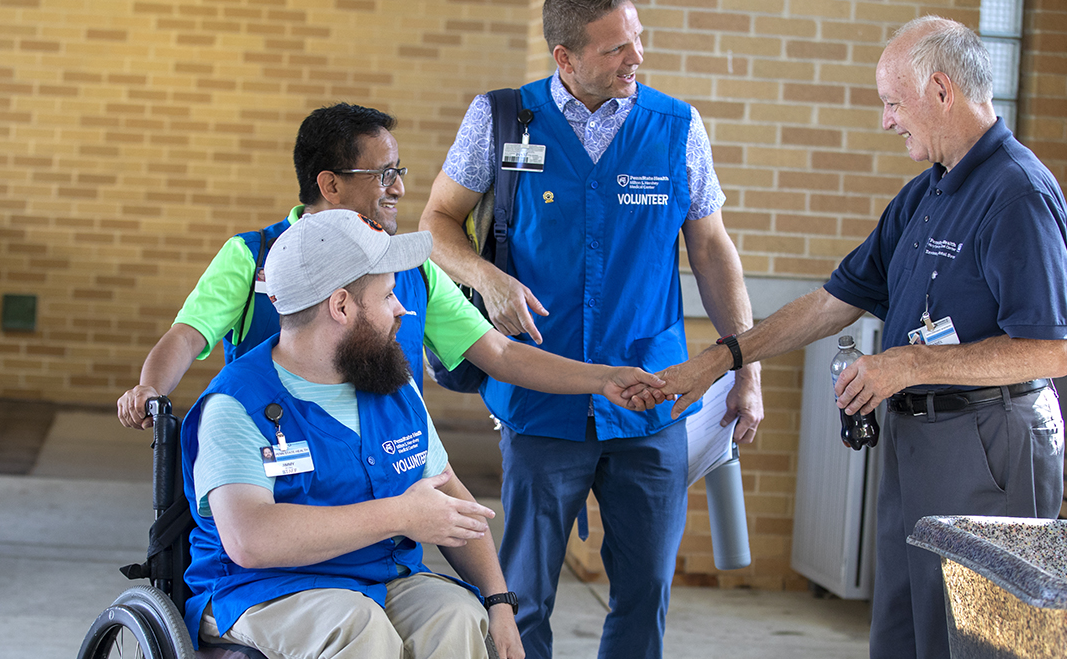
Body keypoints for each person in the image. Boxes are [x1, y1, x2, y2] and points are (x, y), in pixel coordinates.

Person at [652, 16, 1067, 659]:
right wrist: (725, 357)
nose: (885, 121)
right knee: (903, 651)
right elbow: (830, 302)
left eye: (891, 101)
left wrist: (907, 363)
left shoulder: (1016, 193)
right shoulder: (924, 195)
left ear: (940, 91)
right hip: (918, 442)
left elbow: (1050, 349)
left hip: (989, 446)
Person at [419, 0, 764, 659]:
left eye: (638, 41)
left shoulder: (678, 128)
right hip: (540, 404)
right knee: (525, 598)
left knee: (644, 596)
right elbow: (436, 221)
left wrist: (748, 370)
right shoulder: (501, 119)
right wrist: (486, 274)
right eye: (617, 49)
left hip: (651, 403)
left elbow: (712, 251)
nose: (635, 58)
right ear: (564, 57)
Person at [182, 210, 520, 659]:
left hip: (378, 581)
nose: (402, 309)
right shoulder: (235, 406)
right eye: (387, 296)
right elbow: (250, 540)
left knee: (458, 618)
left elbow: (448, 496)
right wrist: (400, 514)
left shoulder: (391, 386)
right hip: (260, 593)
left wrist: (498, 603)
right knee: (360, 633)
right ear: (341, 305)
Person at [117, 103, 663, 429]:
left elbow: (499, 353)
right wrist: (150, 389)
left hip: (386, 473)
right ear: (329, 183)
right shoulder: (253, 255)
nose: (399, 188)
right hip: (281, 470)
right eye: (382, 173)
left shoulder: (414, 268)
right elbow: (187, 336)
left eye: (398, 170)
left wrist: (605, 378)